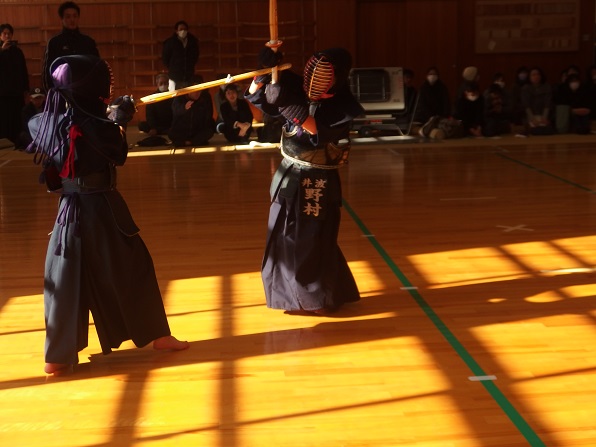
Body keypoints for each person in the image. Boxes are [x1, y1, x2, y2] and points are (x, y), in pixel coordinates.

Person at [26, 55, 189, 376]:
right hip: (100, 209)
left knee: (64, 279)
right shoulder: (95, 128)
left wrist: (106, 116)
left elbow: (70, 127)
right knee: (133, 266)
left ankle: (57, 354)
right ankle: (158, 335)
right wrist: (116, 120)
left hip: (69, 215)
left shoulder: (48, 123)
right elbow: (115, 151)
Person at [245, 46, 363, 315]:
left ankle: (317, 298)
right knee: (282, 235)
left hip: (317, 180)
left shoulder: (343, 105)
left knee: (312, 240)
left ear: (337, 78)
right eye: (313, 72)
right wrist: (263, 73)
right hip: (289, 174)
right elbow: (255, 95)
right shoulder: (296, 86)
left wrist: (285, 105)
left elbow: (315, 129)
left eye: (324, 75)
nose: (314, 80)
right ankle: (290, 296)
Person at [41, 2, 99, 90]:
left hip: (86, 90)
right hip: (62, 90)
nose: (72, 20)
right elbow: (48, 71)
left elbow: (97, 67)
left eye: (75, 16)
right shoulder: (54, 42)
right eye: (68, 17)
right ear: (62, 19)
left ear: (78, 18)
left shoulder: (88, 42)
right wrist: (50, 92)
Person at [0, 23, 29, 145]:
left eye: (9, 34)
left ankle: (17, 142)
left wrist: (26, 89)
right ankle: (4, 143)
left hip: (17, 93)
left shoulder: (18, 52)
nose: (7, 36)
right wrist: (2, 51)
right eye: (4, 33)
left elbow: (23, 70)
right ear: (0, 36)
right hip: (2, 94)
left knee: (17, 119)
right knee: (4, 120)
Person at [168, 76, 215, 147]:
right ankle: (191, 142)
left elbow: (208, 116)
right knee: (171, 133)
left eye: (199, 90)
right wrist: (184, 108)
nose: (197, 93)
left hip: (197, 130)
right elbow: (175, 111)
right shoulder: (180, 96)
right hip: (182, 130)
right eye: (195, 90)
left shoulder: (205, 98)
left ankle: (189, 142)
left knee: (209, 130)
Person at [161, 20, 200, 90]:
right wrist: (173, 67)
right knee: (174, 95)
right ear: (176, 31)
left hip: (189, 76)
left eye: (185, 29)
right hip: (174, 76)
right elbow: (165, 58)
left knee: (189, 94)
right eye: (181, 29)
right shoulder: (170, 43)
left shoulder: (193, 42)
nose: (183, 31)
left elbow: (195, 56)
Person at [521, 66, 554, 135]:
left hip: (543, 115)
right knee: (534, 129)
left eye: (538, 74)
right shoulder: (526, 88)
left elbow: (547, 104)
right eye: (533, 75)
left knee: (545, 129)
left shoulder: (547, 87)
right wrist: (532, 119)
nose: (536, 76)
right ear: (529, 77)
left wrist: (544, 118)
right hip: (530, 115)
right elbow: (526, 105)